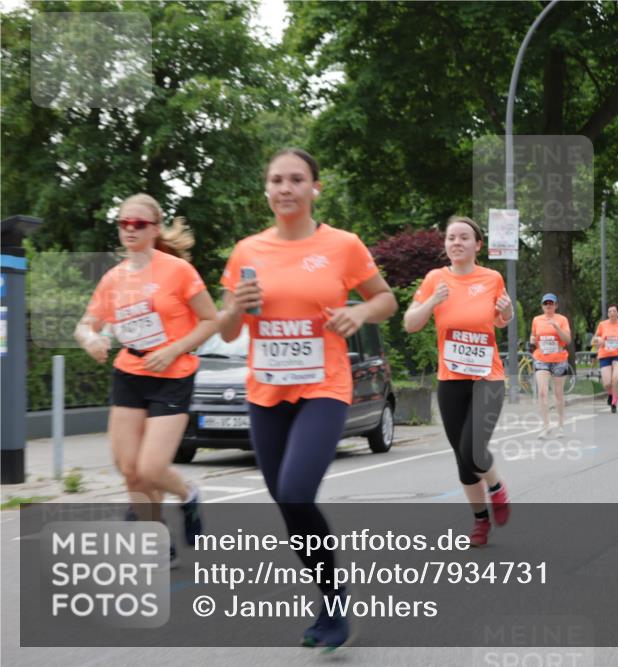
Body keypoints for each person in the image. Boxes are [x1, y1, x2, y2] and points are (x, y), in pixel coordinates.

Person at [218, 148, 397, 650]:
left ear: (315, 187)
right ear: (266, 189)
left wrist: (359, 315)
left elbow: (385, 299)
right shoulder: (246, 251)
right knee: (286, 501)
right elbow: (229, 331)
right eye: (276, 180)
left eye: (297, 179)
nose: (286, 188)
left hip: (324, 386)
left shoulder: (342, 245)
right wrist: (234, 306)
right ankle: (331, 595)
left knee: (296, 491)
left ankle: (334, 606)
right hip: (267, 391)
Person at [75, 193, 215, 566]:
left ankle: (188, 496)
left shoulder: (178, 271)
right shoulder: (113, 278)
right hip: (130, 373)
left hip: (173, 374)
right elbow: (86, 325)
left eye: (139, 224)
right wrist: (92, 339)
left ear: (154, 229)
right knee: (130, 471)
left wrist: (174, 349)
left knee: (152, 468)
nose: (131, 230)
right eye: (124, 224)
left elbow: (210, 320)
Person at [404, 215, 513, 547]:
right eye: (451, 238)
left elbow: (502, 321)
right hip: (450, 380)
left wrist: (507, 312)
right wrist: (433, 301)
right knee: (463, 460)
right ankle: (481, 521)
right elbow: (410, 323)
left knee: (472, 448)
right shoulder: (435, 279)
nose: (456, 243)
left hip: (487, 378)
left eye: (464, 237)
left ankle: (496, 488)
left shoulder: (491, 277)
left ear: (477, 244)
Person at [530, 293, 572, 437]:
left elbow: (568, 340)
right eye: (545, 304)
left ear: (556, 305)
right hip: (541, 358)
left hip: (559, 359)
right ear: (542, 306)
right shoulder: (536, 320)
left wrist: (557, 328)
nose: (548, 306)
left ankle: (560, 425)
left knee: (558, 393)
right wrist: (532, 339)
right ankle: (545, 426)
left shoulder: (562, 319)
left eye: (551, 303)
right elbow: (534, 336)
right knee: (542, 392)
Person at [592, 304, 618, 414]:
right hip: (604, 355)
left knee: (616, 378)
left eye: (614, 311)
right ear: (607, 314)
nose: (612, 313)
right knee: (607, 383)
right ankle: (610, 394)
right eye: (610, 311)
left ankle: (614, 402)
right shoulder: (602, 325)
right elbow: (594, 340)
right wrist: (598, 339)